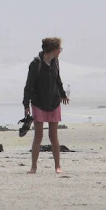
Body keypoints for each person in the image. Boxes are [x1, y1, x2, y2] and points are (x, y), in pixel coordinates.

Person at [23, 37, 69, 174]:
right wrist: (26, 105)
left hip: (54, 103)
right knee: (38, 136)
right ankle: (34, 167)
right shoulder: (35, 64)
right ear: (53, 50)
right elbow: (28, 86)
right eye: (59, 49)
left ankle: (57, 166)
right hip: (38, 104)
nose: (60, 51)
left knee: (53, 136)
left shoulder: (55, 62)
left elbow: (58, 79)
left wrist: (62, 94)